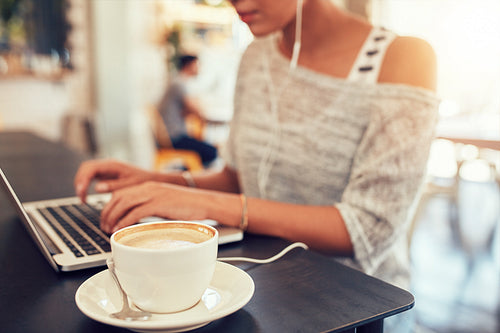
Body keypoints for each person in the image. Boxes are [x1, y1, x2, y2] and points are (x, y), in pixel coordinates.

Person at [75, 1, 438, 331]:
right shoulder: (255, 55)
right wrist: (156, 182)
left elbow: (367, 229)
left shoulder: (402, 58)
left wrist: (208, 206)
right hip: (264, 291)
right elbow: (239, 178)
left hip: (355, 311)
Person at [157, 54, 218, 167]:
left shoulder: (178, 82)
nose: (199, 68)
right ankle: (195, 178)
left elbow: (187, 109)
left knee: (205, 146)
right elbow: (195, 109)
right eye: (197, 64)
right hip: (175, 137)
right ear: (189, 65)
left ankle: (191, 173)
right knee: (212, 152)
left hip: (174, 135)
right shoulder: (179, 84)